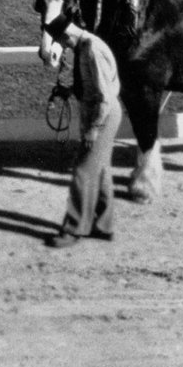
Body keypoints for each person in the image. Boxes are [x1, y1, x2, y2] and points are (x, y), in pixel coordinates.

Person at [47, 15, 123, 248]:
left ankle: (73, 229)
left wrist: (94, 129)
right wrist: (69, 91)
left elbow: (104, 96)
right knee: (99, 170)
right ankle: (103, 225)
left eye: (62, 41)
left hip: (103, 114)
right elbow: (93, 87)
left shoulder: (91, 50)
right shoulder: (87, 44)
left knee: (83, 171)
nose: (64, 47)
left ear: (68, 35)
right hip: (103, 111)